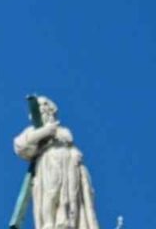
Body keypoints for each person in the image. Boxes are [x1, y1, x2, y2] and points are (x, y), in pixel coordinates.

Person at [13, 96, 99, 229]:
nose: (43, 114)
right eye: (40, 111)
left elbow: (68, 139)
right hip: (48, 162)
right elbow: (20, 145)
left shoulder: (62, 130)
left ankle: (69, 222)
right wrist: (44, 132)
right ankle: (49, 224)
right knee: (50, 194)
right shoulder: (35, 131)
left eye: (45, 110)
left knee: (70, 197)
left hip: (70, 164)